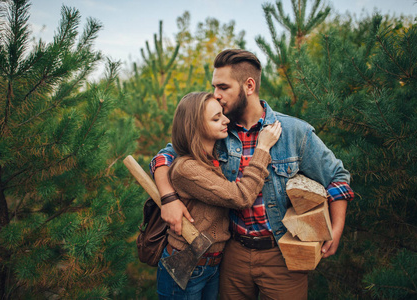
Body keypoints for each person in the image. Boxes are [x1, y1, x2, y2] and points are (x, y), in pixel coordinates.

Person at [150, 49, 354, 300]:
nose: (216, 95)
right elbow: (166, 157)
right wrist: (168, 198)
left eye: (223, 87)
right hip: (231, 255)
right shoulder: (215, 128)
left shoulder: (293, 131)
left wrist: (337, 228)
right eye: (214, 86)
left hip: (280, 254)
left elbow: (337, 177)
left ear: (249, 85)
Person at [156, 91, 282, 299]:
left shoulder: (211, 157)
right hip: (187, 265)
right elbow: (241, 197)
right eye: (216, 118)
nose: (226, 120)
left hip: (212, 265)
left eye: (222, 114)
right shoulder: (188, 168)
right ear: (195, 126)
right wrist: (263, 148)